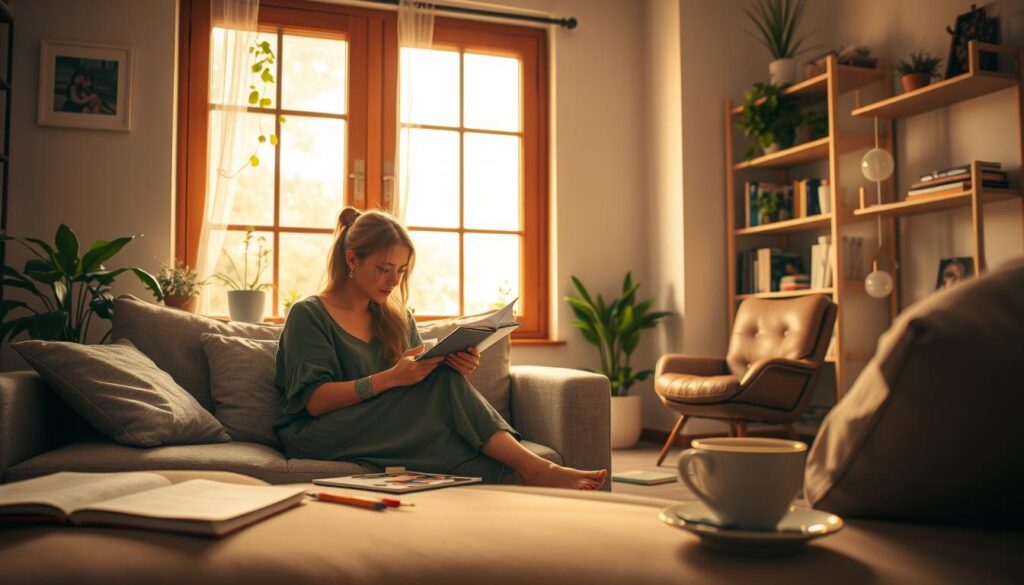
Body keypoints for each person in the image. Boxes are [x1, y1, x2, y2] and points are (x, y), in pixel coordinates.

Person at [273, 207, 607, 490]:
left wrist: (454, 364)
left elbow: (421, 384)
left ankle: (521, 483)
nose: (392, 281)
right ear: (352, 260)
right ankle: (536, 469)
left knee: (444, 383)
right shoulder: (309, 314)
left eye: (401, 271)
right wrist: (389, 378)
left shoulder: (396, 317)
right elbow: (314, 402)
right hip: (317, 432)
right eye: (384, 269)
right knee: (443, 394)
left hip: (381, 425)